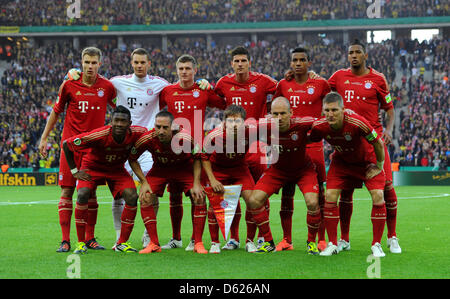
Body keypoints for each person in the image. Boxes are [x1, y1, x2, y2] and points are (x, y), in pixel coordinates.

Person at [39, 47, 117, 252]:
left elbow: (120, 109)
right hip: (70, 147)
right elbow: (56, 113)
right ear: (81, 63)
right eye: (87, 62)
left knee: (90, 192)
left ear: (100, 64)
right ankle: (65, 240)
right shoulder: (69, 85)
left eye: (94, 63)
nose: (90, 66)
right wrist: (44, 137)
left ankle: (90, 239)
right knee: (67, 190)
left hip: (94, 148)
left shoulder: (107, 87)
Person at [328, 39, 401, 254]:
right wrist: (310, 77)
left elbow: (390, 109)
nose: (353, 56)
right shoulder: (339, 76)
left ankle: (392, 236)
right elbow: (321, 89)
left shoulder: (378, 79)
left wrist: (388, 131)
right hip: (348, 144)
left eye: (358, 52)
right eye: (350, 53)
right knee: (346, 192)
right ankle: (344, 239)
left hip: (374, 142)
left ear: (365, 56)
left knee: (387, 189)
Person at [158, 54, 225, 251]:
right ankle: (176, 238)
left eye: (188, 68)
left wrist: (210, 86)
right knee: (174, 197)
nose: (184, 72)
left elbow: (223, 103)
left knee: (198, 196)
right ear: (176, 71)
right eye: (181, 69)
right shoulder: (168, 91)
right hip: (174, 152)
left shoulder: (202, 91)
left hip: (196, 153)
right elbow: (154, 106)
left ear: (195, 71)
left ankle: (196, 240)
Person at [213, 46, 277, 250]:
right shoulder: (223, 83)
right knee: (231, 194)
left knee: (257, 194)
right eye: (236, 61)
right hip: (233, 142)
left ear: (250, 63)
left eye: (243, 60)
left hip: (256, 144)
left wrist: (270, 113)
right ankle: (234, 238)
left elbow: (283, 91)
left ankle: (256, 237)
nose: (240, 64)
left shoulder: (263, 81)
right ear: (232, 63)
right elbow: (214, 99)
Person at [309, 92, 387, 257]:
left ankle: (376, 244)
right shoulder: (319, 125)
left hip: (367, 162)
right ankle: (333, 244)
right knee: (330, 195)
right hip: (342, 161)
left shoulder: (357, 122)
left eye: (335, 110)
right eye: (327, 110)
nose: (330, 114)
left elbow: (378, 143)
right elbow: (308, 138)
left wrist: (379, 166)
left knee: (378, 196)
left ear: (343, 110)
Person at [62, 105, 148, 254]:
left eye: (123, 121)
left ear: (130, 123)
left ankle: (122, 243)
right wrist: (75, 171)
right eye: (116, 120)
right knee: (83, 194)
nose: (119, 124)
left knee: (132, 196)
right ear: (111, 121)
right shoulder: (98, 135)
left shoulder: (137, 133)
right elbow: (67, 145)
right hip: (92, 167)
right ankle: (81, 243)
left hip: (116, 169)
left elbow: (150, 135)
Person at [247, 97, 322, 255]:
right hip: (278, 170)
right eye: (275, 114)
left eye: (283, 113)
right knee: (253, 200)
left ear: (291, 113)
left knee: (312, 202)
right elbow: (242, 127)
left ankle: (311, 243)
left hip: (303, 170)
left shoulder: (302, 123)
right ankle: (268, 242)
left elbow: (325, 123)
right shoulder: (264, 126)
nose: (279, 118)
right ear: (270, 114)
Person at [274, 47, 330, 251]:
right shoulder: (283, 84)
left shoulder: (321, 83)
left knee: (319, 195)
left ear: (309, 62)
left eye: (302, 60)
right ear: (290, 63)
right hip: (288, 145)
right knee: (287, 192)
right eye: (295, 60)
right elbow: (273, 110)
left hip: (313, 145)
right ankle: (286, 240)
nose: (298, 63)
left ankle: (320, 239)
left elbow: (332, 107)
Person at [128, 110, 206, 254]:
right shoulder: (147, 138)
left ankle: (198, 242)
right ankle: (153, 243)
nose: (161, 131)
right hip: (160, 169)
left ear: (173, 127)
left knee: (199, 196)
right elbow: (132, 158)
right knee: (145, 196)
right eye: (158, 127)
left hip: (183, 169)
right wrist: (143, 182)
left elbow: (198, 157)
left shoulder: (185, 138)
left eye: (165, 127)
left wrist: (196, 183)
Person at [201, 104, 264, 253]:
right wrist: (213, 180)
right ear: (224, 122)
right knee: (214, 205)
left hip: (240, 170)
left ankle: (250, 241)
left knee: (252, 201)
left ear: (244, 123)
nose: (234, 125)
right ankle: (214, 243)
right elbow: (204, 157)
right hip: (219, 171)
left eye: (238, 121)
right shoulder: (213, 135)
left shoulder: (251, 133)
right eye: (230, 121)